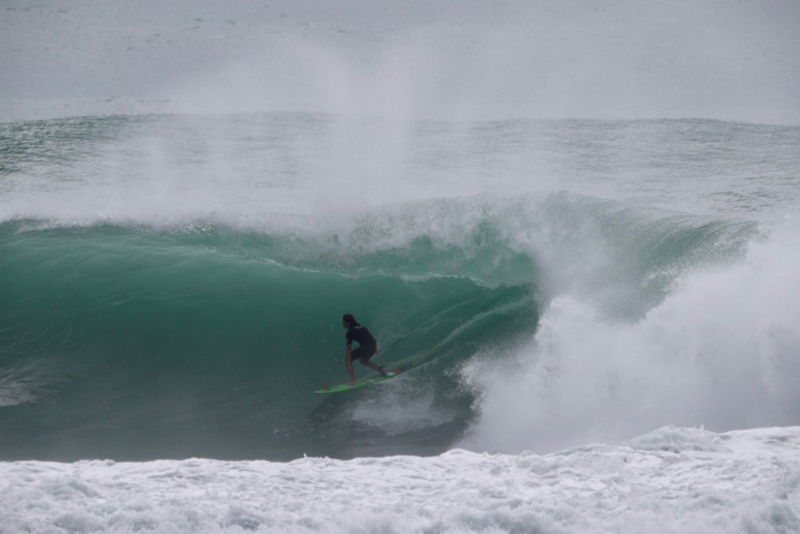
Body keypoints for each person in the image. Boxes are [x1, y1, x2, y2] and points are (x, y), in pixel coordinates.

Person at [342, 313, 386, 385]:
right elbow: (373, 340)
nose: (343, 324)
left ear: (348, 322)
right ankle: (381, 370)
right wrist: (375, 349)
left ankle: (353, 381)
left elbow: (348, 348)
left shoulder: (350, 332)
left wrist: (348, 360)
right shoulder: (362, 327)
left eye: (343, 322)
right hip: (372, 347)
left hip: (366, 348)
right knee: (363, 361)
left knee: (347, 359)